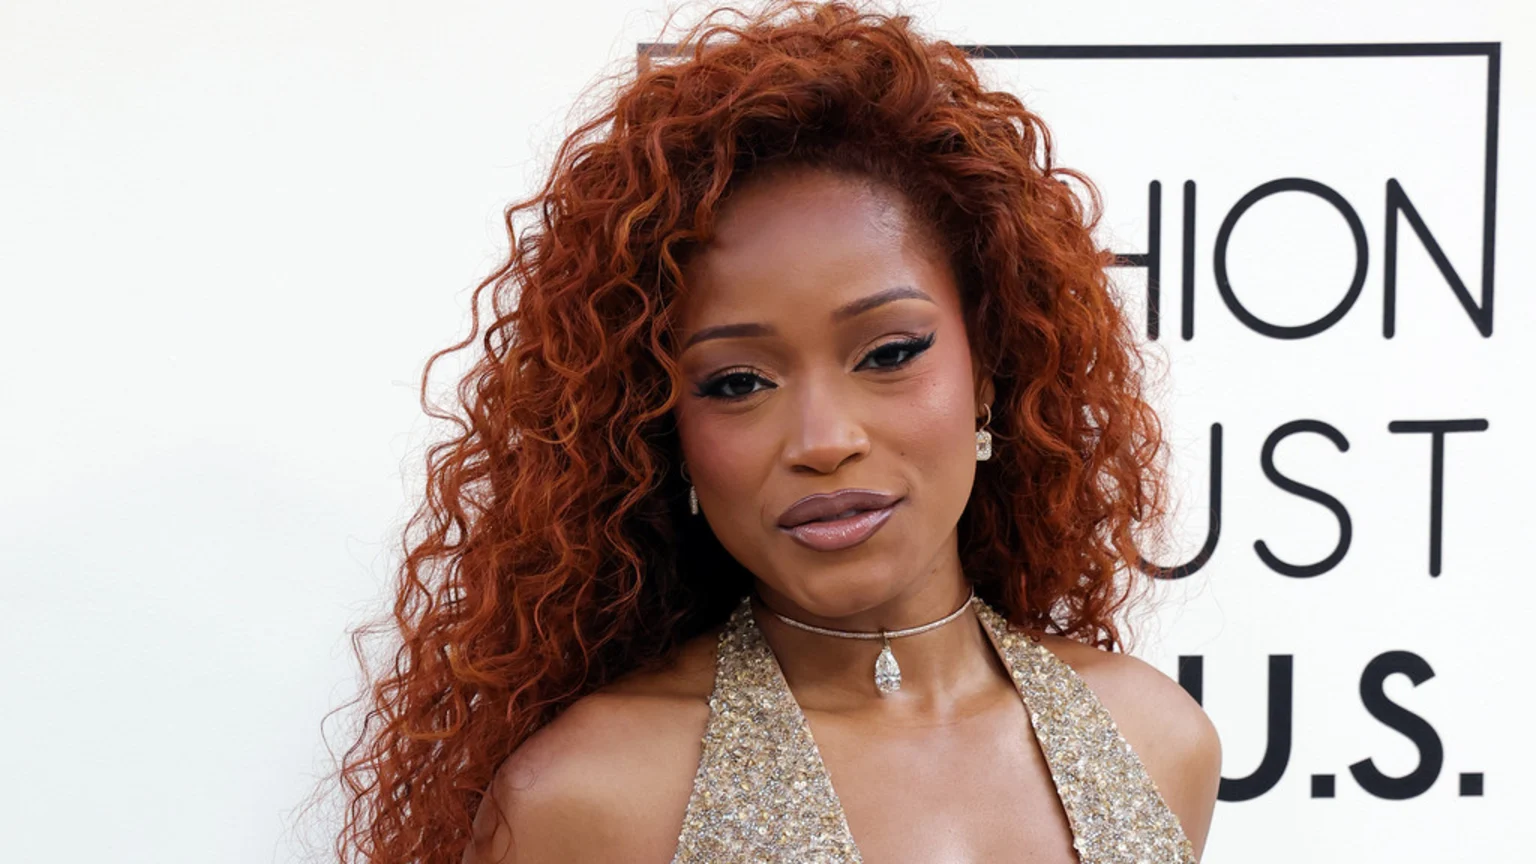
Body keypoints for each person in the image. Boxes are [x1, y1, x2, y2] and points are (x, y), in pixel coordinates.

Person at [324, 2, 1221, 862]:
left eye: (890, 353)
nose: (824, 440)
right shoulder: (588, 799)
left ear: (987, 369)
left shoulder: (1155, 740)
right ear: (661, 426)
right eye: (738, 381)